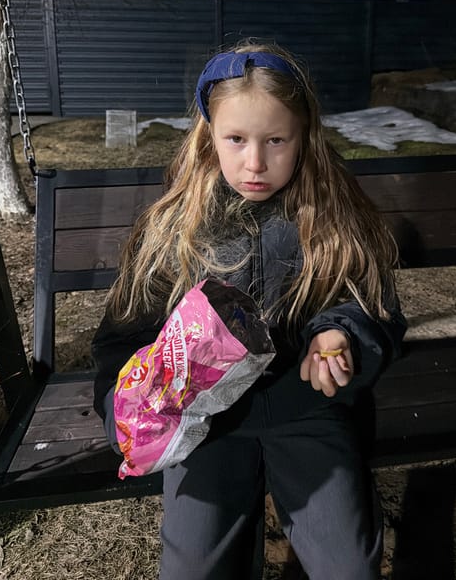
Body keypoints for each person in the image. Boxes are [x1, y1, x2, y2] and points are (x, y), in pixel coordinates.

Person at [92, 42, 407, 580]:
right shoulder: (174, 228)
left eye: (276, 141)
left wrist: (340, 337)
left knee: (349, 565)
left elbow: (369, 305)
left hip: (305, 411)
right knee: (194, 567)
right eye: (236, 139)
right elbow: (124, 336)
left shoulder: (333, 216)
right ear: (208, 137)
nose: (255, 162)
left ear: (303, 137)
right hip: (207, 425)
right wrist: (128, 399)